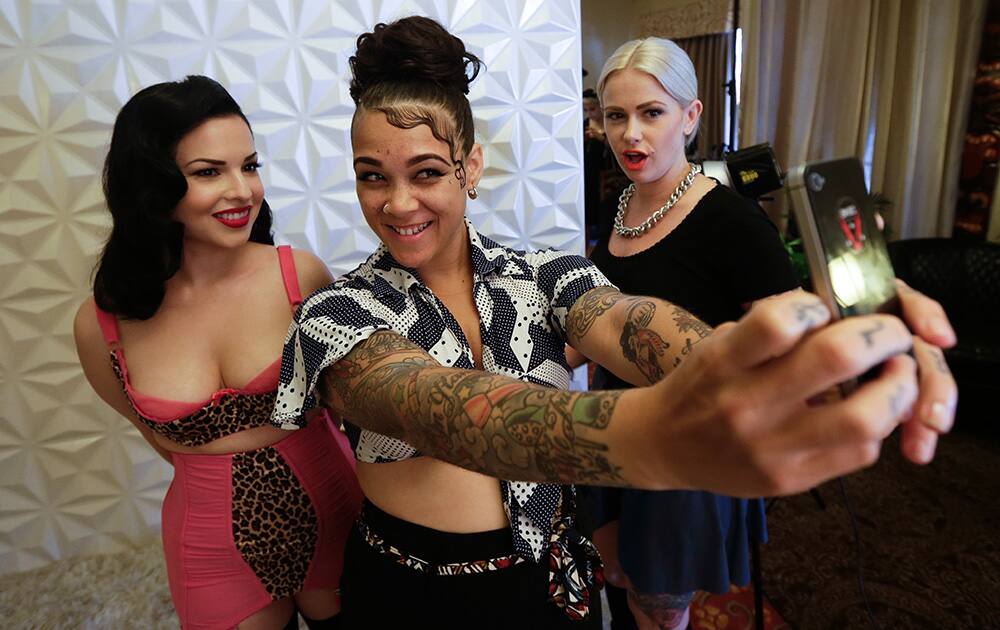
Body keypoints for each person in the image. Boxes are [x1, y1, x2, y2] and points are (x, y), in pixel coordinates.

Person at [269, 16, 956, 629]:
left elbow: (629, 320)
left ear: (470, 167)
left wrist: (803, 349)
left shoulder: (544, 274)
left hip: (549, 584)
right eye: (370, 176)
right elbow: (442, 408)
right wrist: (651, 438)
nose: (397, 203)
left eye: (425, 173)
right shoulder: (338, 312)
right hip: (414, 596)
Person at [73, 76, 363, 630]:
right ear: (151, 186)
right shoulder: (100, 326)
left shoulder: (300, 277)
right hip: (210, 548)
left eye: (249, 166)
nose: (243, 190)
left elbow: (355, 412)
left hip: (341, 516)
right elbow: (157, 438)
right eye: (209, 172)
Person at [580, 37, 799, 630]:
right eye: (616, 116)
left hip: (683, 448)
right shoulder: (621, 203)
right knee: (619, 583)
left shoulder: (731, 221)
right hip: (613, 425)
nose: (631, 135)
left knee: (659, 611)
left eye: (652, 113)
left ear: (690, 116)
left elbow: (790, 342)